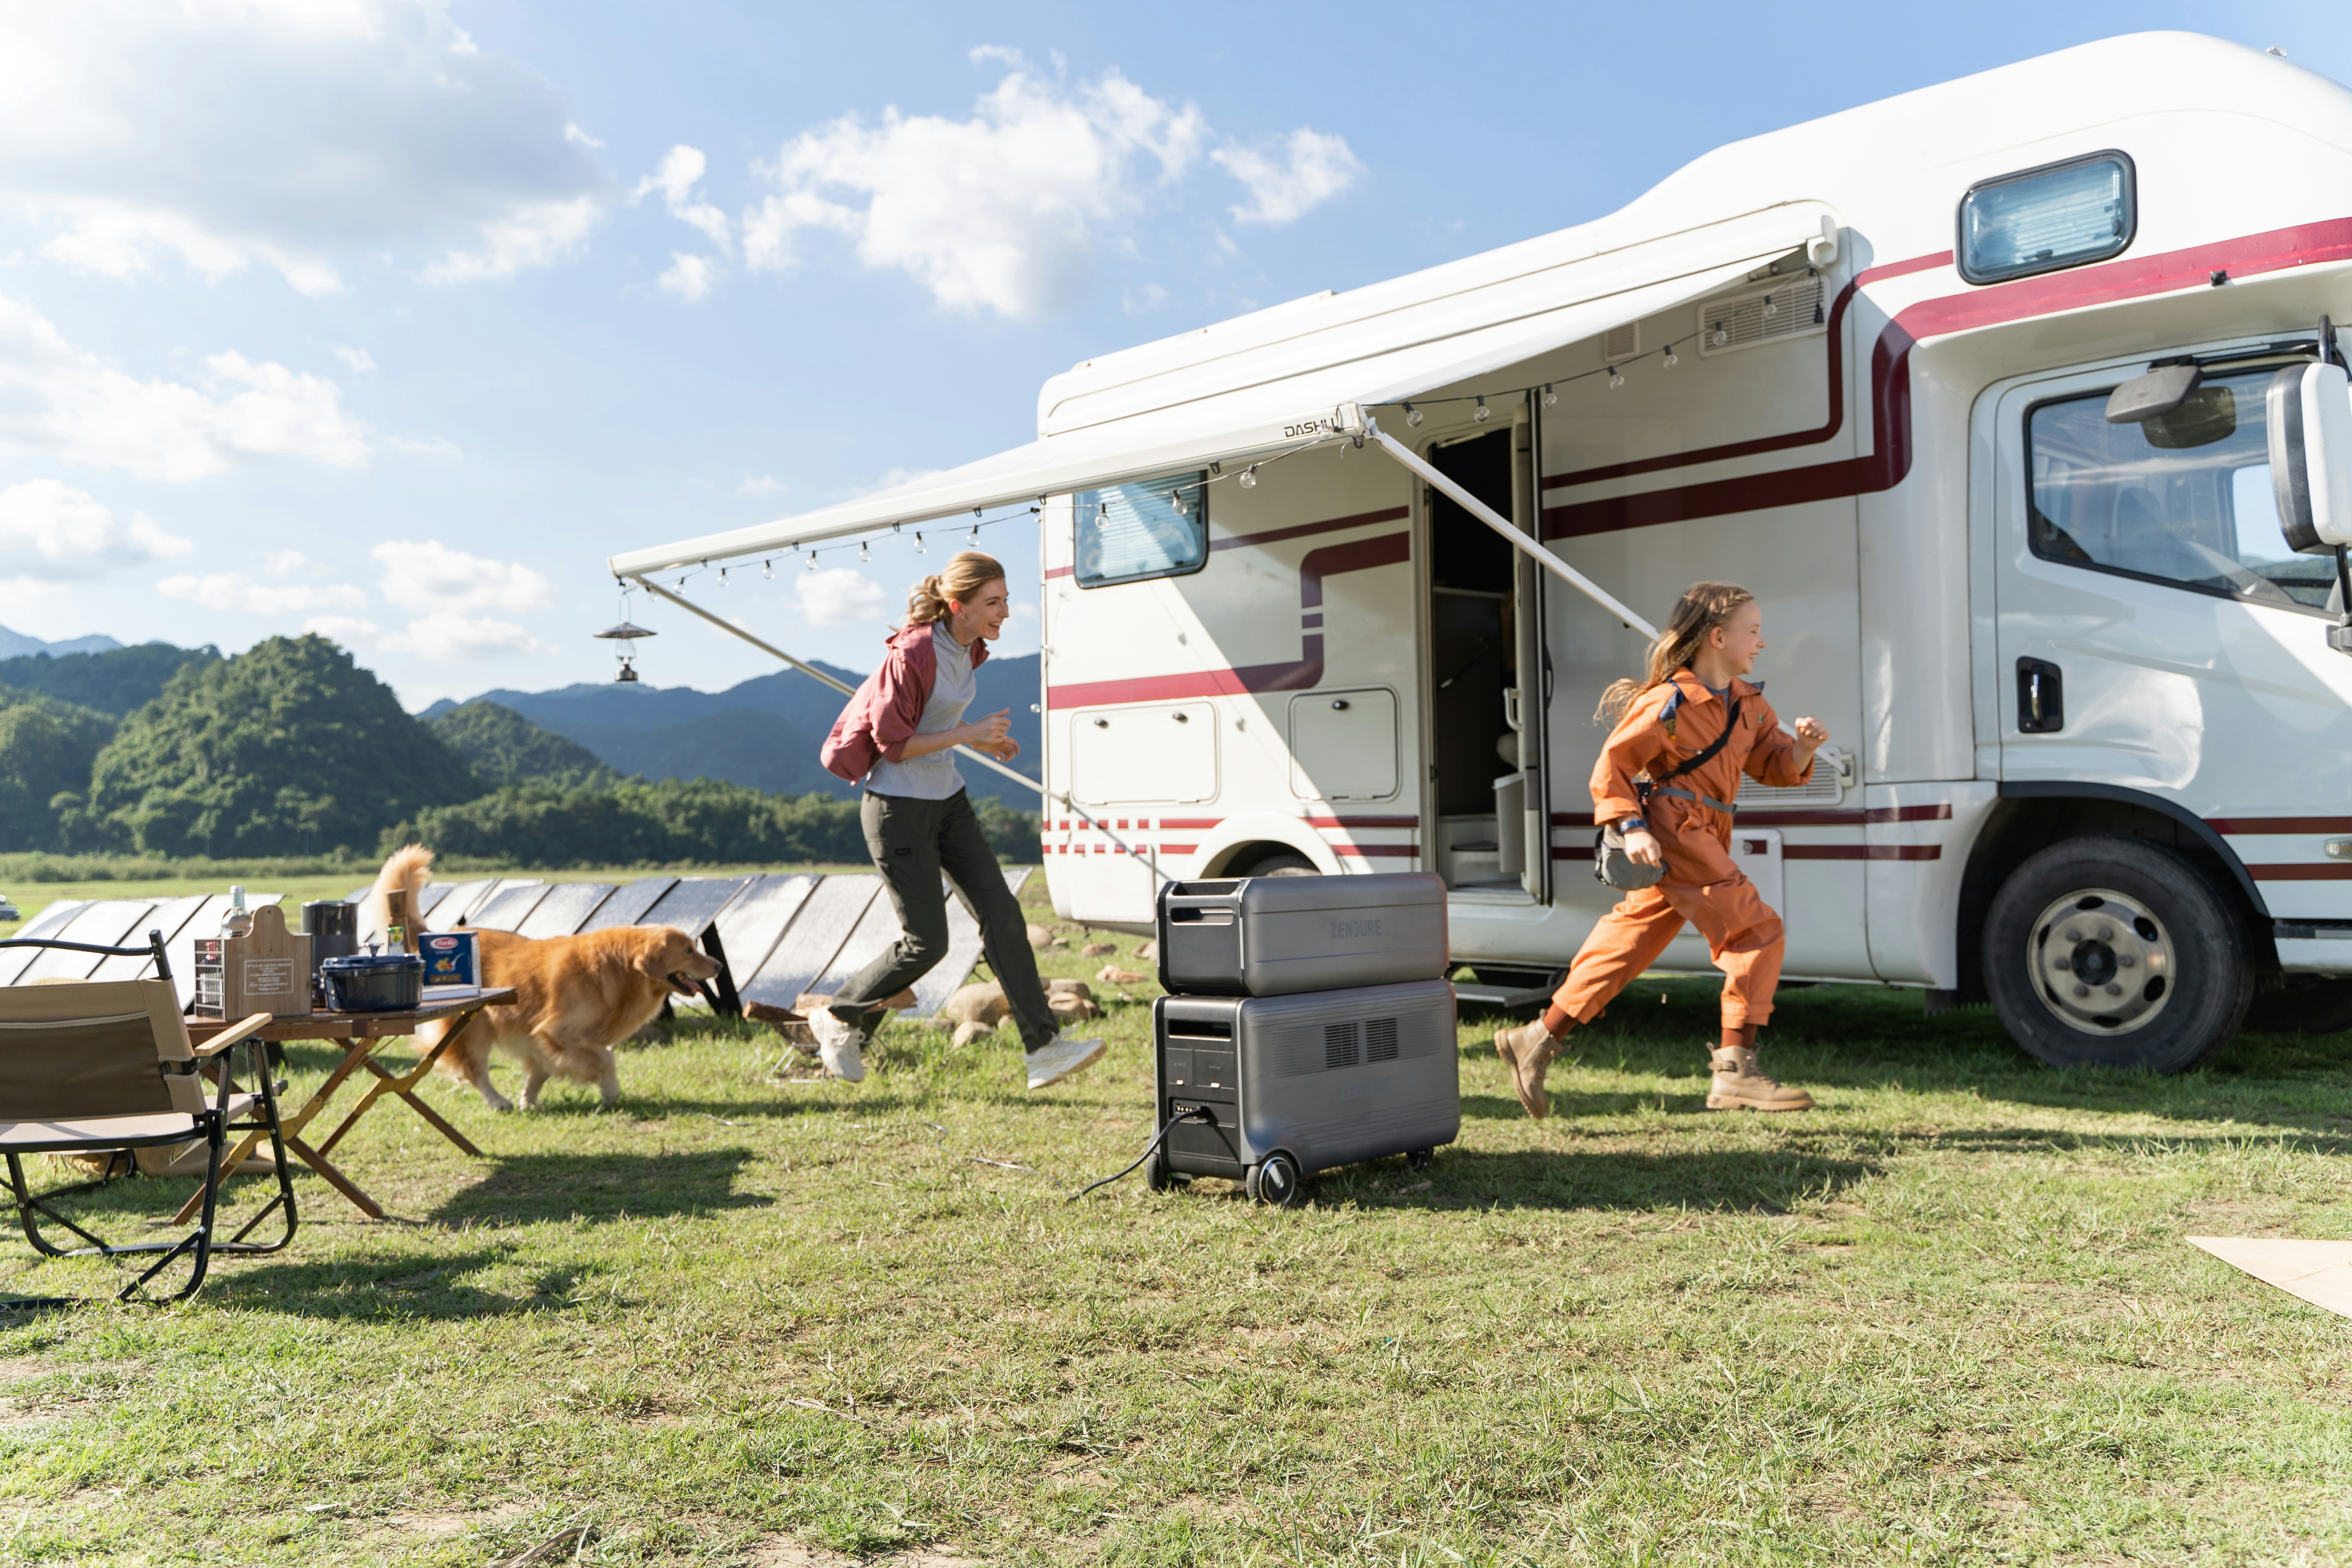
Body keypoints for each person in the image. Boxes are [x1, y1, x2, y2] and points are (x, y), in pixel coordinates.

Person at [1493, 582, 1827, 1118]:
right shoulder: (1668, 702)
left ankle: (1536, 1038)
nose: (1762, 642)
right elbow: (1614, 767)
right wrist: (1632, 828)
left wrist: (1804, 748)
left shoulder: (1749, 703)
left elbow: (1774, 765)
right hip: (1678, 829)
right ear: (1718, 637)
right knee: (1756, 931)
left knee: (1629, 942)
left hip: (1705, 831)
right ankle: (1736, 1073)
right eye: (1754, 631)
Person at [815, 552, 1106, 1091]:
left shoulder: (970, 648)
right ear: (958, 607)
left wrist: (980, 741)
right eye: (993, 603)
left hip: (947, 800)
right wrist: (970, 734)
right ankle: (839, 1016)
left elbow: (936, 719)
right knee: (927, 943)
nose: (1005, 612)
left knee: (1004, 914)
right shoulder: (913, 652)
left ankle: (1043, 1048)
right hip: (898, 809)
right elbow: (894, 745)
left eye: (1006, 601)